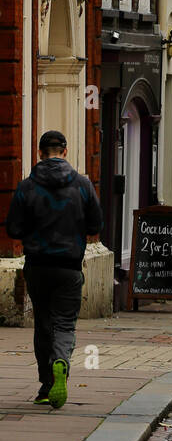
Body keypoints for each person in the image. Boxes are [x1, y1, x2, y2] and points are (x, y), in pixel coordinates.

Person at [5, 130, 103, 408]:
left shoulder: (26, 187)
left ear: (40, 153)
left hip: (37, 266)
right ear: (65, 151)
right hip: (70, 267)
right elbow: (96, 226)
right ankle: (61, 360)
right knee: (63, 324)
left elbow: (12, 228)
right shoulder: (83, 185)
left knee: (43, 324)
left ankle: (46, 385)